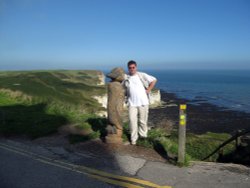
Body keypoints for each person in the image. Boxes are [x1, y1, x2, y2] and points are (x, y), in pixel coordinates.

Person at [124, 60, 157, 145]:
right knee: (132, 121)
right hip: (132, 103)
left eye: (133, 67)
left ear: (136, 67)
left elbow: (154, 80)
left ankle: (143, 137)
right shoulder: (126, 77)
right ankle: (133, 139)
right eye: (130, 68)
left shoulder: (142, 75)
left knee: (143, 121)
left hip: (143, 102)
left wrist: (148, 90)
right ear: (128, 68)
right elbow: (122, 86)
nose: (132, 69)